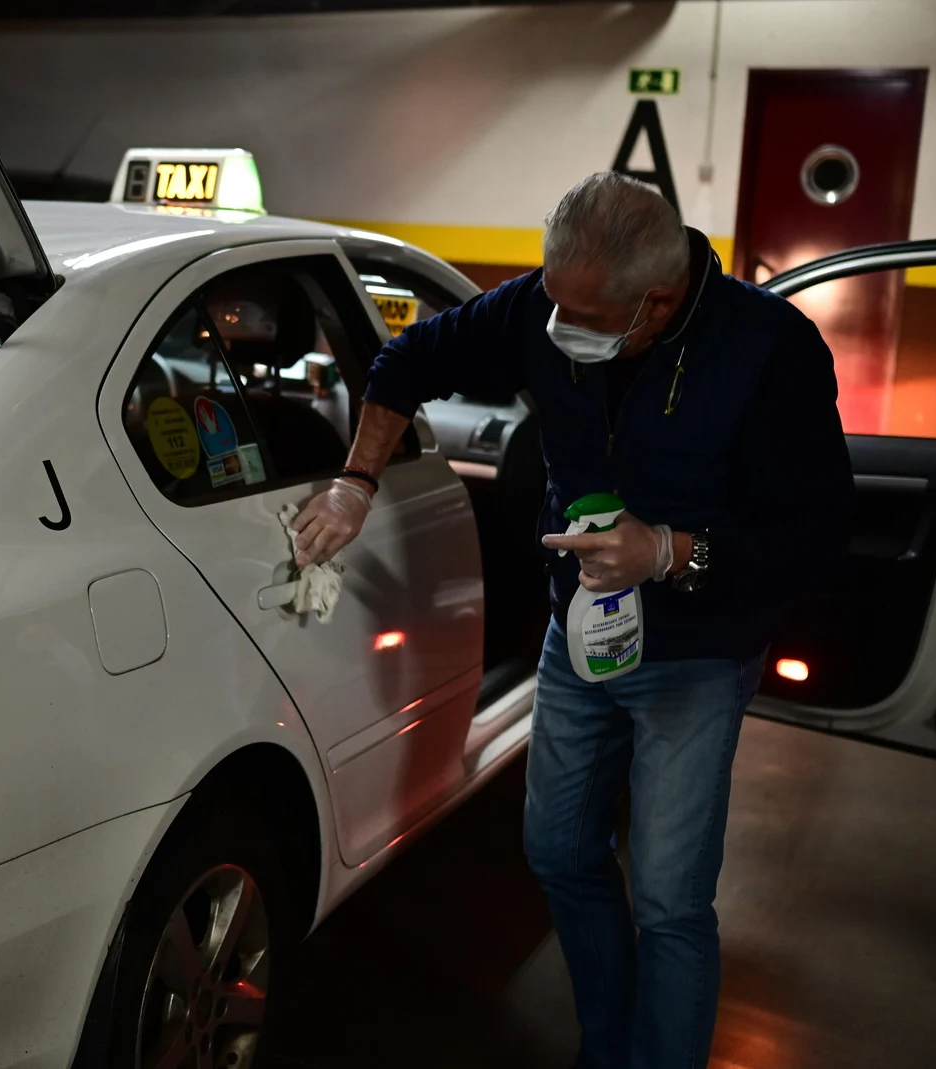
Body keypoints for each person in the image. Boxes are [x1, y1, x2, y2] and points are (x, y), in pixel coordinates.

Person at [291, 171, 853, 1069]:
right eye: (552, 300)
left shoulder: (770, 350)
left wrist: (670, 551)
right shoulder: (540, 311)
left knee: (669, 900)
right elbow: (406, 364)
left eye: (584, 314)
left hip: (697, 658)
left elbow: (816, 540)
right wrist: (355, 483)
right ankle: (607, 1043)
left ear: (657, 301)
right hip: (577, 637)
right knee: (555, 850)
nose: (558, 327)